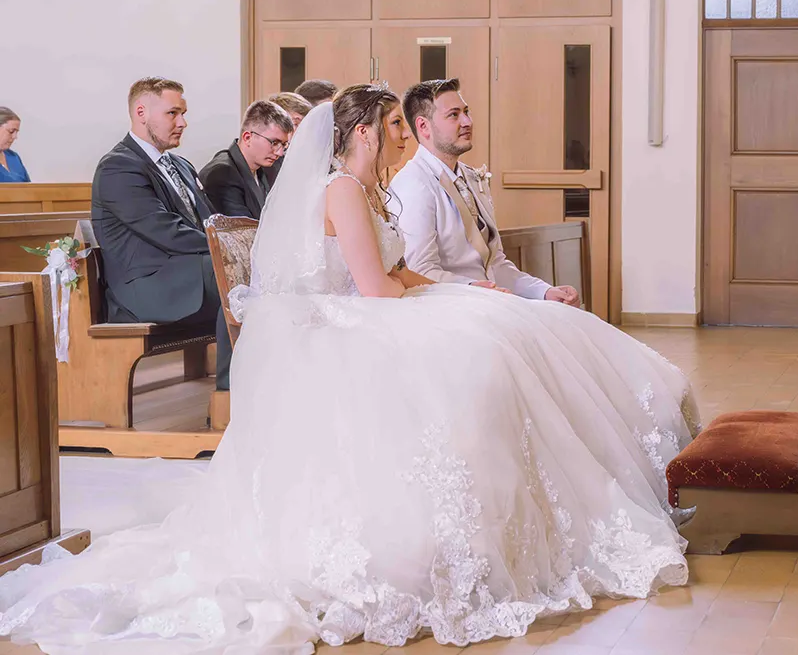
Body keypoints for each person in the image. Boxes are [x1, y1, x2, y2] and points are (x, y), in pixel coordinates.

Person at [0, 85, 698, 651]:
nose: (401, 132)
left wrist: (450, 289)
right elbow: (376, 289)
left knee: (506, 328)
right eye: (393, 122)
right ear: (362, 132)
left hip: (377, 305)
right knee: (482, 347)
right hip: (352, 323)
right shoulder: (339, 190)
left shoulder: (367, 190)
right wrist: (445, 293)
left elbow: (395, 274)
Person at [90, 77, 233, 389]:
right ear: (141, 112)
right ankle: (230, 394)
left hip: (183, 272)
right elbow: (167, 232)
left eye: (183, 113)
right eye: (173, 113)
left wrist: (235, 241)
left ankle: (256, 386)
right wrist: (229, 249)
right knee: (235, 275)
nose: (183, 122)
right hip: (149, 285)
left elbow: (209, 221)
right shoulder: (118, 167)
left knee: (247, 273)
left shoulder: (179, 164)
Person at [389, 80, 580, 304]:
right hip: (452, 307)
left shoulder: (470, 177)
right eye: (454, 115)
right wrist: (477, 290)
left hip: (489, 301)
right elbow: (420, 272)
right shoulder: (413, 184)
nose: (467, 121)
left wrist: (544, 291)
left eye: (466, 112)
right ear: (423, 126)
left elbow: (495, 264)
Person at [199, 100, 292, 219]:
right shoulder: (222, 174)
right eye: (274, 143)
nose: (279, 152)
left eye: (283, 145)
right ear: (247, 137)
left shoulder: (267, 167)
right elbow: (243, 231)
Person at [0, 107, 30, 183]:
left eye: (16, 132)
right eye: (11, 131)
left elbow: (29, 189)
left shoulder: (13, 157)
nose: (15, 137)